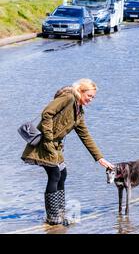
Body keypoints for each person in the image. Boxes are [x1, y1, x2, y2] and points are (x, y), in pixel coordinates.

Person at [21, 78, 114, 225]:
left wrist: (100, 158)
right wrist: (49, 139)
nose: (91, 99)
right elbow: (47, 113)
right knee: (55, 174)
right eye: (89, 96)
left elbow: (85, 135)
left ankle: (59, 213)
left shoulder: (79, 112)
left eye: (93, 97)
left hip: (55, 147)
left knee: (62, 174)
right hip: (44, 144)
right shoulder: (69, 97)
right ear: (80, 91)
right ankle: (53, 218)